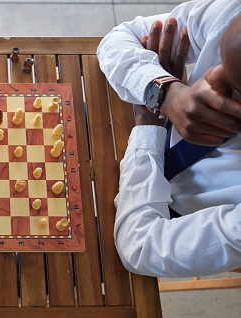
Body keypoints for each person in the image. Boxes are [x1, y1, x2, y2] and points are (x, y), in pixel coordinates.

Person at [100, 1, 241, 277]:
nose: (209, 84)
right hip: (144, 131)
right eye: (222, 63)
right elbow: (118, 38)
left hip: (174, 216)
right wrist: (166, 94)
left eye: (237, 88)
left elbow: (141, 247)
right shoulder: (233, 13)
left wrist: (150, 122)